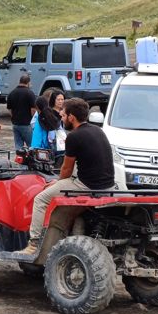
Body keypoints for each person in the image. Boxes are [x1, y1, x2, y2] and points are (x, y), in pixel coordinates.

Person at [19, 98, 116, 255]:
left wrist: (56, 183)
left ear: (72, 117)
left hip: (87, 185)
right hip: (108, 184)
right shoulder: (98, 130)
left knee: (40, 199)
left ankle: (34, 244)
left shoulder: (73, 137)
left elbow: (66, 170)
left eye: (63, 116)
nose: (61, 119)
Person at [6, 74, 35, 150]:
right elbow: (33, 109)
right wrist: (32, 118)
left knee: (18, 146)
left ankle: (19, 160)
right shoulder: (30, 93)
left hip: (15, 124)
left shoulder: (11, 93)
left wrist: (14, 116)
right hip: (26, 124)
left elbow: (9, 109)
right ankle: (30, 161)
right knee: (31, 145)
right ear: (28, 83)